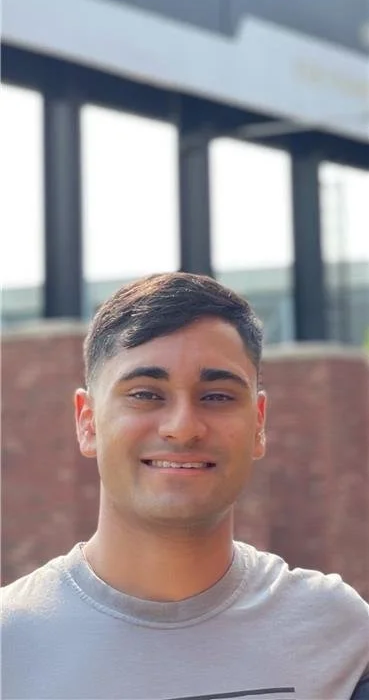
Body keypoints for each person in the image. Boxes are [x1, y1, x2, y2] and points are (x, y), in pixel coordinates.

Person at [2, 272, 368, 700]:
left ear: (260, 424)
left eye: (216, 396)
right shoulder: (12, 645)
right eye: (145, 394)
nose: (182, 427)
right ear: (87, 422)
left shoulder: (338, 634)